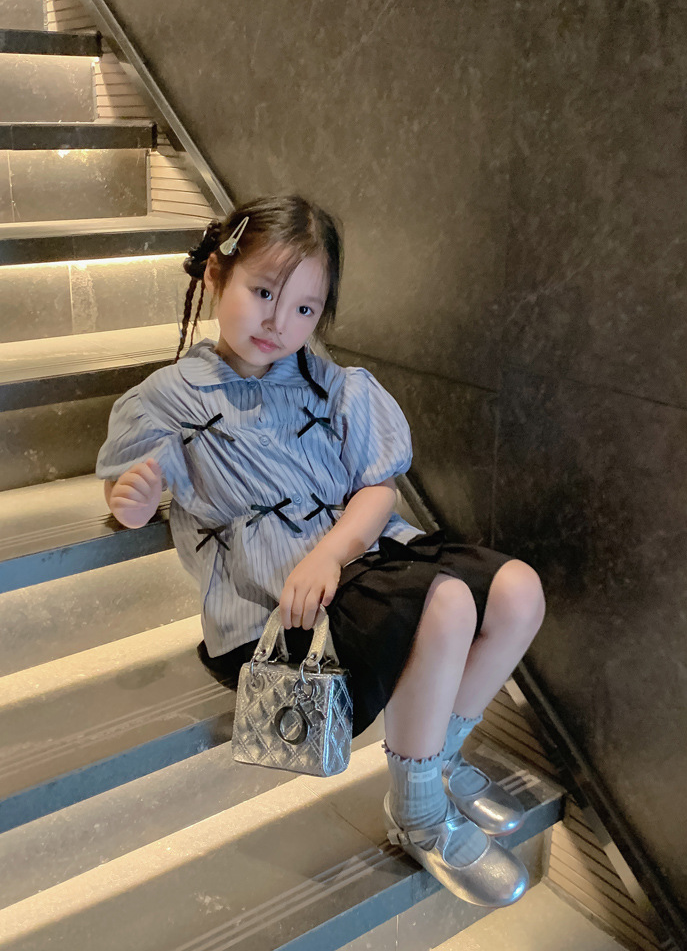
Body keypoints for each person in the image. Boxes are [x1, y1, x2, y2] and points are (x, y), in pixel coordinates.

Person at [96, 195, 545, 907]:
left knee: (518, 590)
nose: (280, 323)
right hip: (275, 608)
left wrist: (332, 552)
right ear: (216, 276)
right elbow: (132, 495)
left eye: (305, 308)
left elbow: (378, 492)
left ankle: (436, 759)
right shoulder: (167, 400)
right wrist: (133, 498)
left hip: (352, 561)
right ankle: (419, 813)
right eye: (263, 293)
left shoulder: (329, 383)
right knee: (449, 603)